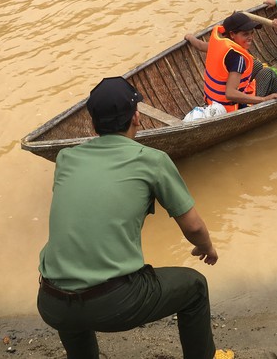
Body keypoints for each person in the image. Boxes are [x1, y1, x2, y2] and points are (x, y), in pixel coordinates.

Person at [37, 77, 222, 359]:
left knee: (74, 288)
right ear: (136, 117)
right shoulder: (153, 160)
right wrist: (207, 247)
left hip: (52, 302)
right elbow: (194, 226)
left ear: (93, 123)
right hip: (115, 304)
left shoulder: (66, 158)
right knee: (195, 287)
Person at [185, 11, 277, 112]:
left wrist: (190, 37)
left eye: (252, 33)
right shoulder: (237, 58)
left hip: (212, 101)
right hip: (232, 107)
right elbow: (230, 93)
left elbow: (200, 45)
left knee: (256, 65)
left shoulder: (220, 45)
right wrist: (264, 99)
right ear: (232, 34)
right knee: (268, 73)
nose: (250, 37)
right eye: (245, 34)